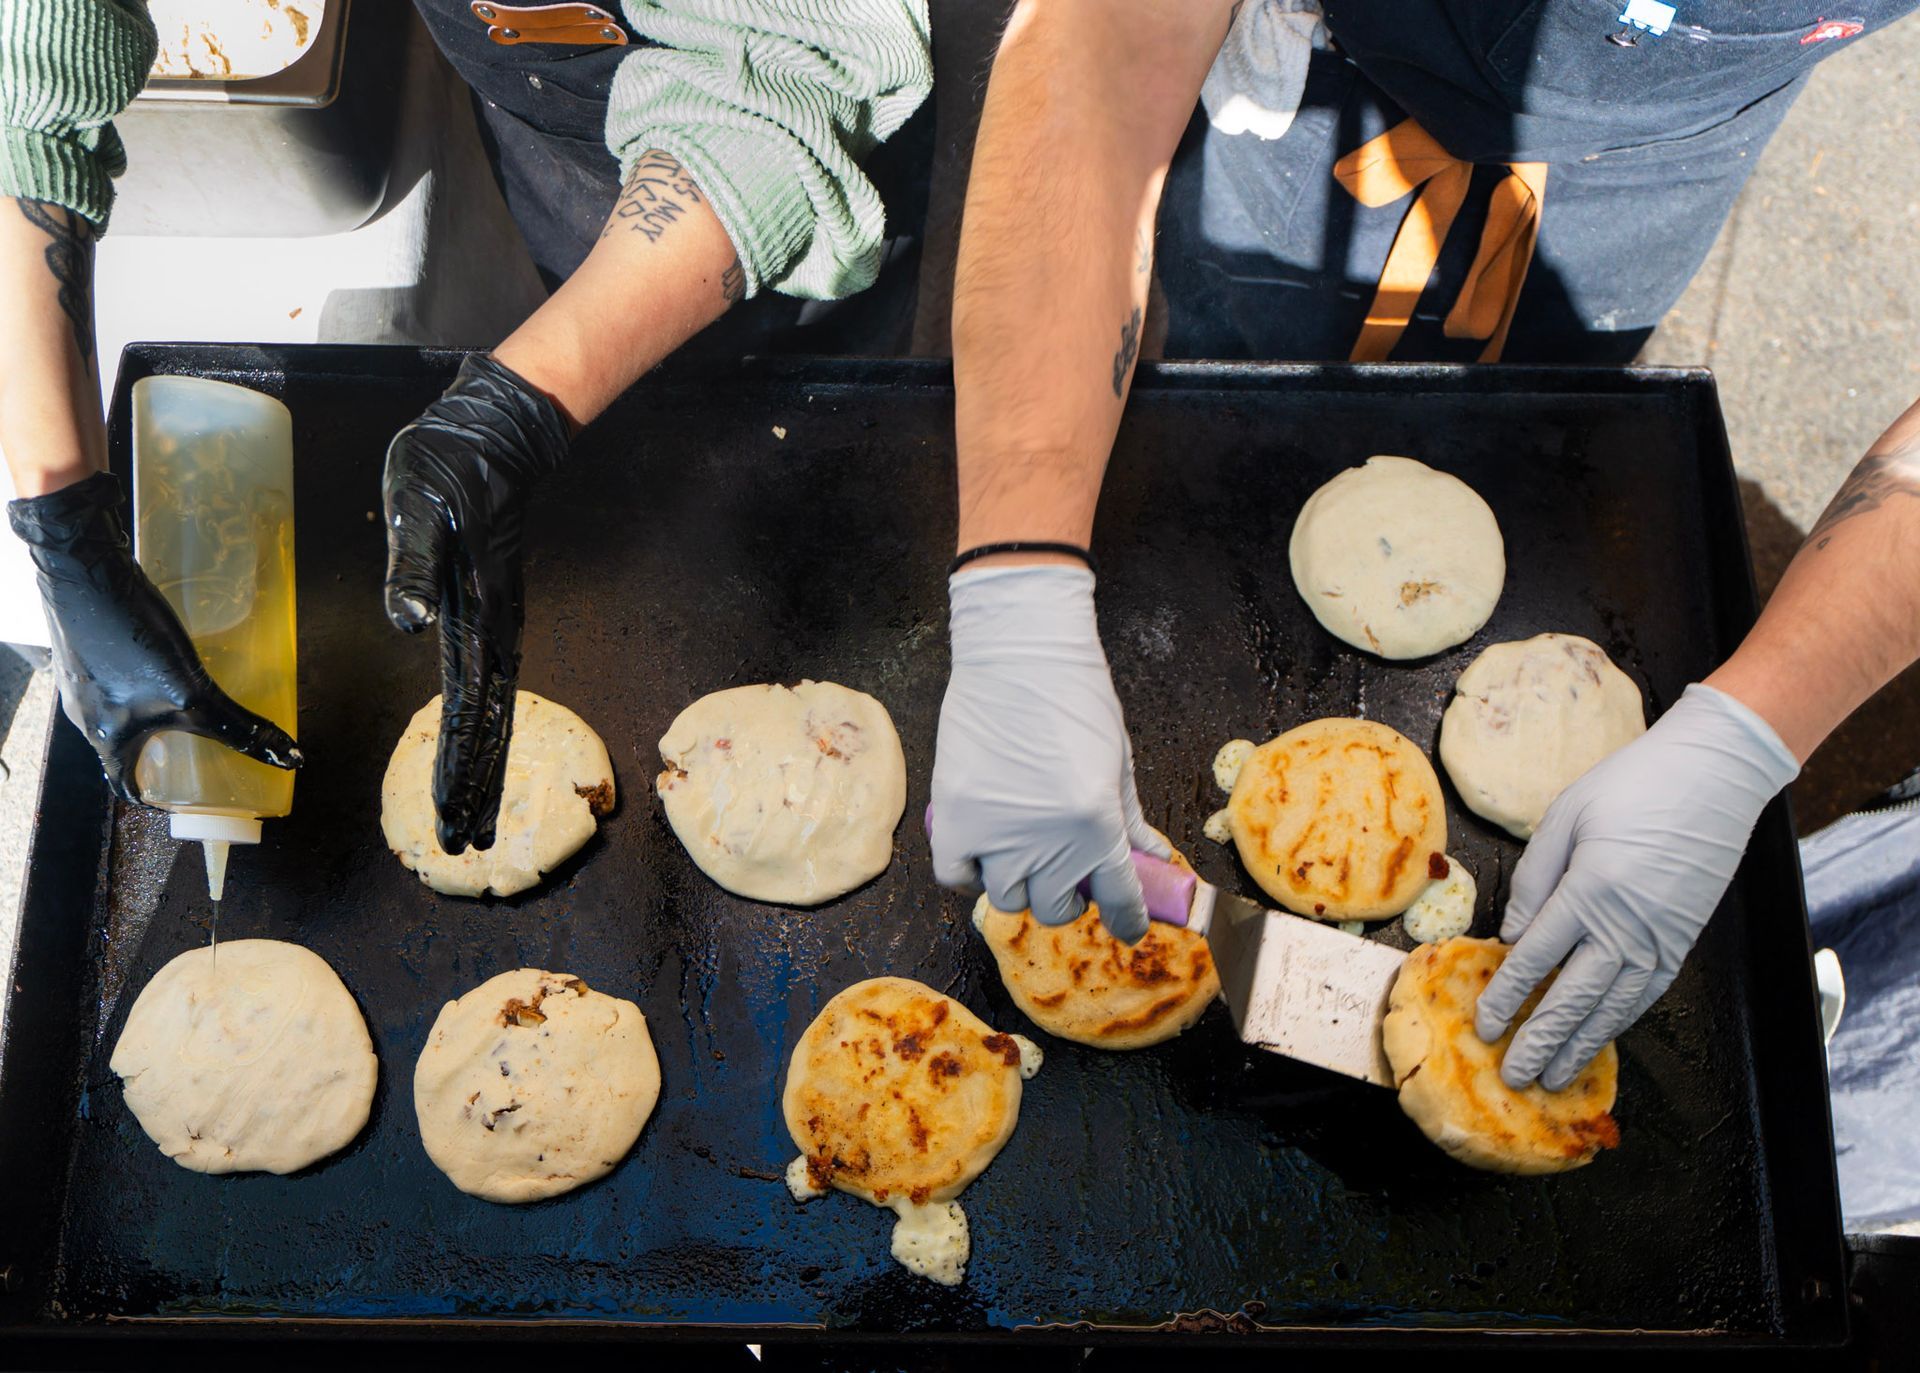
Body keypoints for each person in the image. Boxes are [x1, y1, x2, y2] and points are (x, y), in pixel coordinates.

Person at [928, 0, 1920, 1093]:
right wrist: (1017, 572)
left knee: (1541, 417)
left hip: (1657, 153)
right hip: (1333, 90)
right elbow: (1103, 46)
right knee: (1231, 385)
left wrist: (1759, 725)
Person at [1, 0, 931, 853]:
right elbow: (32, 68)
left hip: (809, 143)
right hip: (557, 111)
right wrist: (62, 521)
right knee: (585, 265)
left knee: (809, 396)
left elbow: (798, 75)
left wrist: (519, 405)